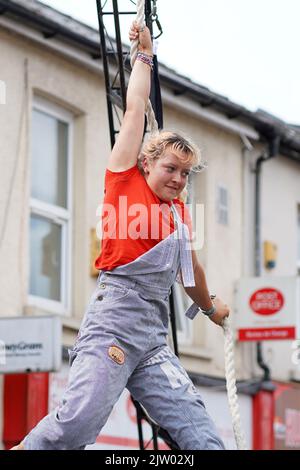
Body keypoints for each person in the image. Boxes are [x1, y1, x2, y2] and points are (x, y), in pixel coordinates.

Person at [12, 21, 229, 451]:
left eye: (185, 174)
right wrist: (144, 57)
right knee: (76, 426)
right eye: (171, 168)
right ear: (147, 164)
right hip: (112, 322)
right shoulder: (123, 180)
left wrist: (210, 307)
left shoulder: (180, 216)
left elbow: (191, 273)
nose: (178, 179)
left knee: (202, 436)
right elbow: (135, 107)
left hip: (152, 336)